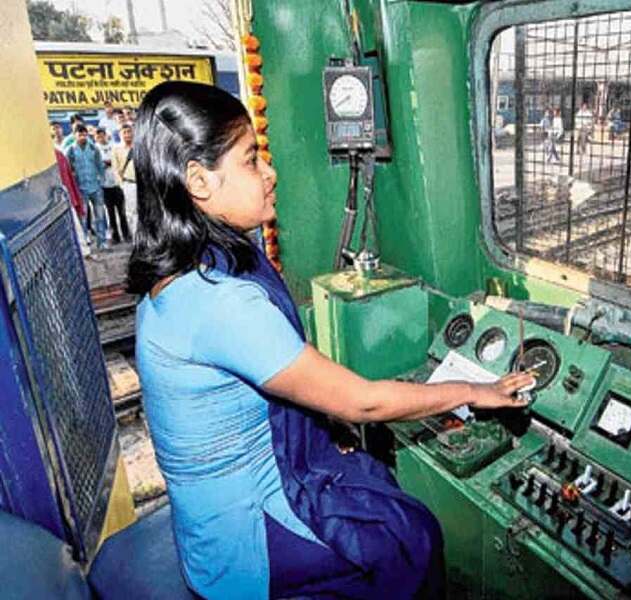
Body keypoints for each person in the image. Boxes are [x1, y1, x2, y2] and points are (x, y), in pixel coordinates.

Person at [129, 81, 534, 599]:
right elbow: (365, 401)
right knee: (410, 538)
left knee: (369, 479)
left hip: (211, 522)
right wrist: (476, 390)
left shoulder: (183, 274)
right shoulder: (216, 301)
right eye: (252, 160)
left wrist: (326, 426)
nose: (270, 174)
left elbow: (283, 376)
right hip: (244, 544)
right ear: (200, 182)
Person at [66, 124, 108, 249]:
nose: (83, 137)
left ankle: (102, 242)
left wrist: (101, 181)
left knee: (100, 215)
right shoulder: (71, 151)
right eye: (80, 135)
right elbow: (69, 170)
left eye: (85, 134)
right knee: (83, 218)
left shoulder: (94, 149)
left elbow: (100, 166)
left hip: (96, 187)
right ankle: (85, 244)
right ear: (74, 135)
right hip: (81, 189)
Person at [95, 128, 131, 244]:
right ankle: (115, 237)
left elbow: (117, 162)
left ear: (106, 135)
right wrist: (104, 164)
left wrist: (109, 163)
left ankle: (126, 234)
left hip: (117, 184)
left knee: (122, 212)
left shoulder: (114, 147)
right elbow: (97, 164)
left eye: (102, 135)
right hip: (104, 186)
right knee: (110, 213)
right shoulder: (95, 149)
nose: (101, 138)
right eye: (98, 136)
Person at [112, 123, 137, 234]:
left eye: (129, 132)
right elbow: (116, 169)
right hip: (129, 185)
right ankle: (136, 237)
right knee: (131, 213)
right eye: (124, 133)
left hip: (143, 184)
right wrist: (122, 185)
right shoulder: (116, 150)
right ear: (120, 135)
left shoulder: (139, 147)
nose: (127, 135)